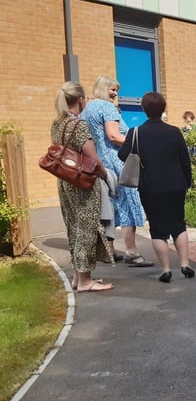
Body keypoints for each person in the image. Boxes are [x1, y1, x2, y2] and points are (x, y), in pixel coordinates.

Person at [119, 92, 193, 283]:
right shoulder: (174, 131)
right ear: (163, 108)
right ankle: (185, 264)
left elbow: (122, 156)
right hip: (176, 186)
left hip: (150, 187)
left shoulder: (135, 133)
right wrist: (187, 182)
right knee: (179, 224)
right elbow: (185, 161)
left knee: (158, 228)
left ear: (144, 109)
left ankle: (166, 269)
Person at [81, 75, 153, 267]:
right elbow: (113, 136)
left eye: (116, 90)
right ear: (103, 88)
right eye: (112, 89)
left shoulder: (87, 109)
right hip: (116, 162)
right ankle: (131, 251)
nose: (115, 94)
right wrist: (137, 141)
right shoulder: (107, 107)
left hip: (97, 163)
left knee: (110, 207)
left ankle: (108, 250)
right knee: (129, 204)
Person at [52, 82, 114, 292]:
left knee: (74, 228)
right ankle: (86, 280)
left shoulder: (57, 123)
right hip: (82, 182)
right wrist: (107, 176)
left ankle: (79, 277)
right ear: (80, 99)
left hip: (65, 181)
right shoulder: (79, 125)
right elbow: (93, 159)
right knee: (87, 229)